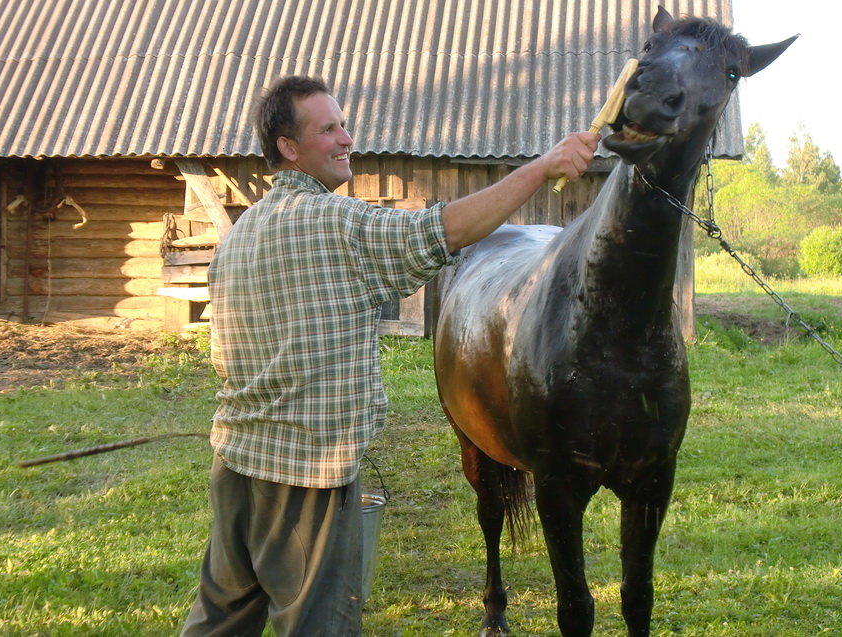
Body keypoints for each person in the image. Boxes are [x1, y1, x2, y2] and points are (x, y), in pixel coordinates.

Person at [181, 75, 599, 636]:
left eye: (343, 124)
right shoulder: (338, 224)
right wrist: (542, 167)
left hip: (234, 463)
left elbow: (222, 355)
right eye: (328, 129)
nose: (346, 138)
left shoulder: (238, 235)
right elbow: (446, 230)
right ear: (288, 147)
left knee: (220, 620)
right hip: (307, 476)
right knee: (317, 625)